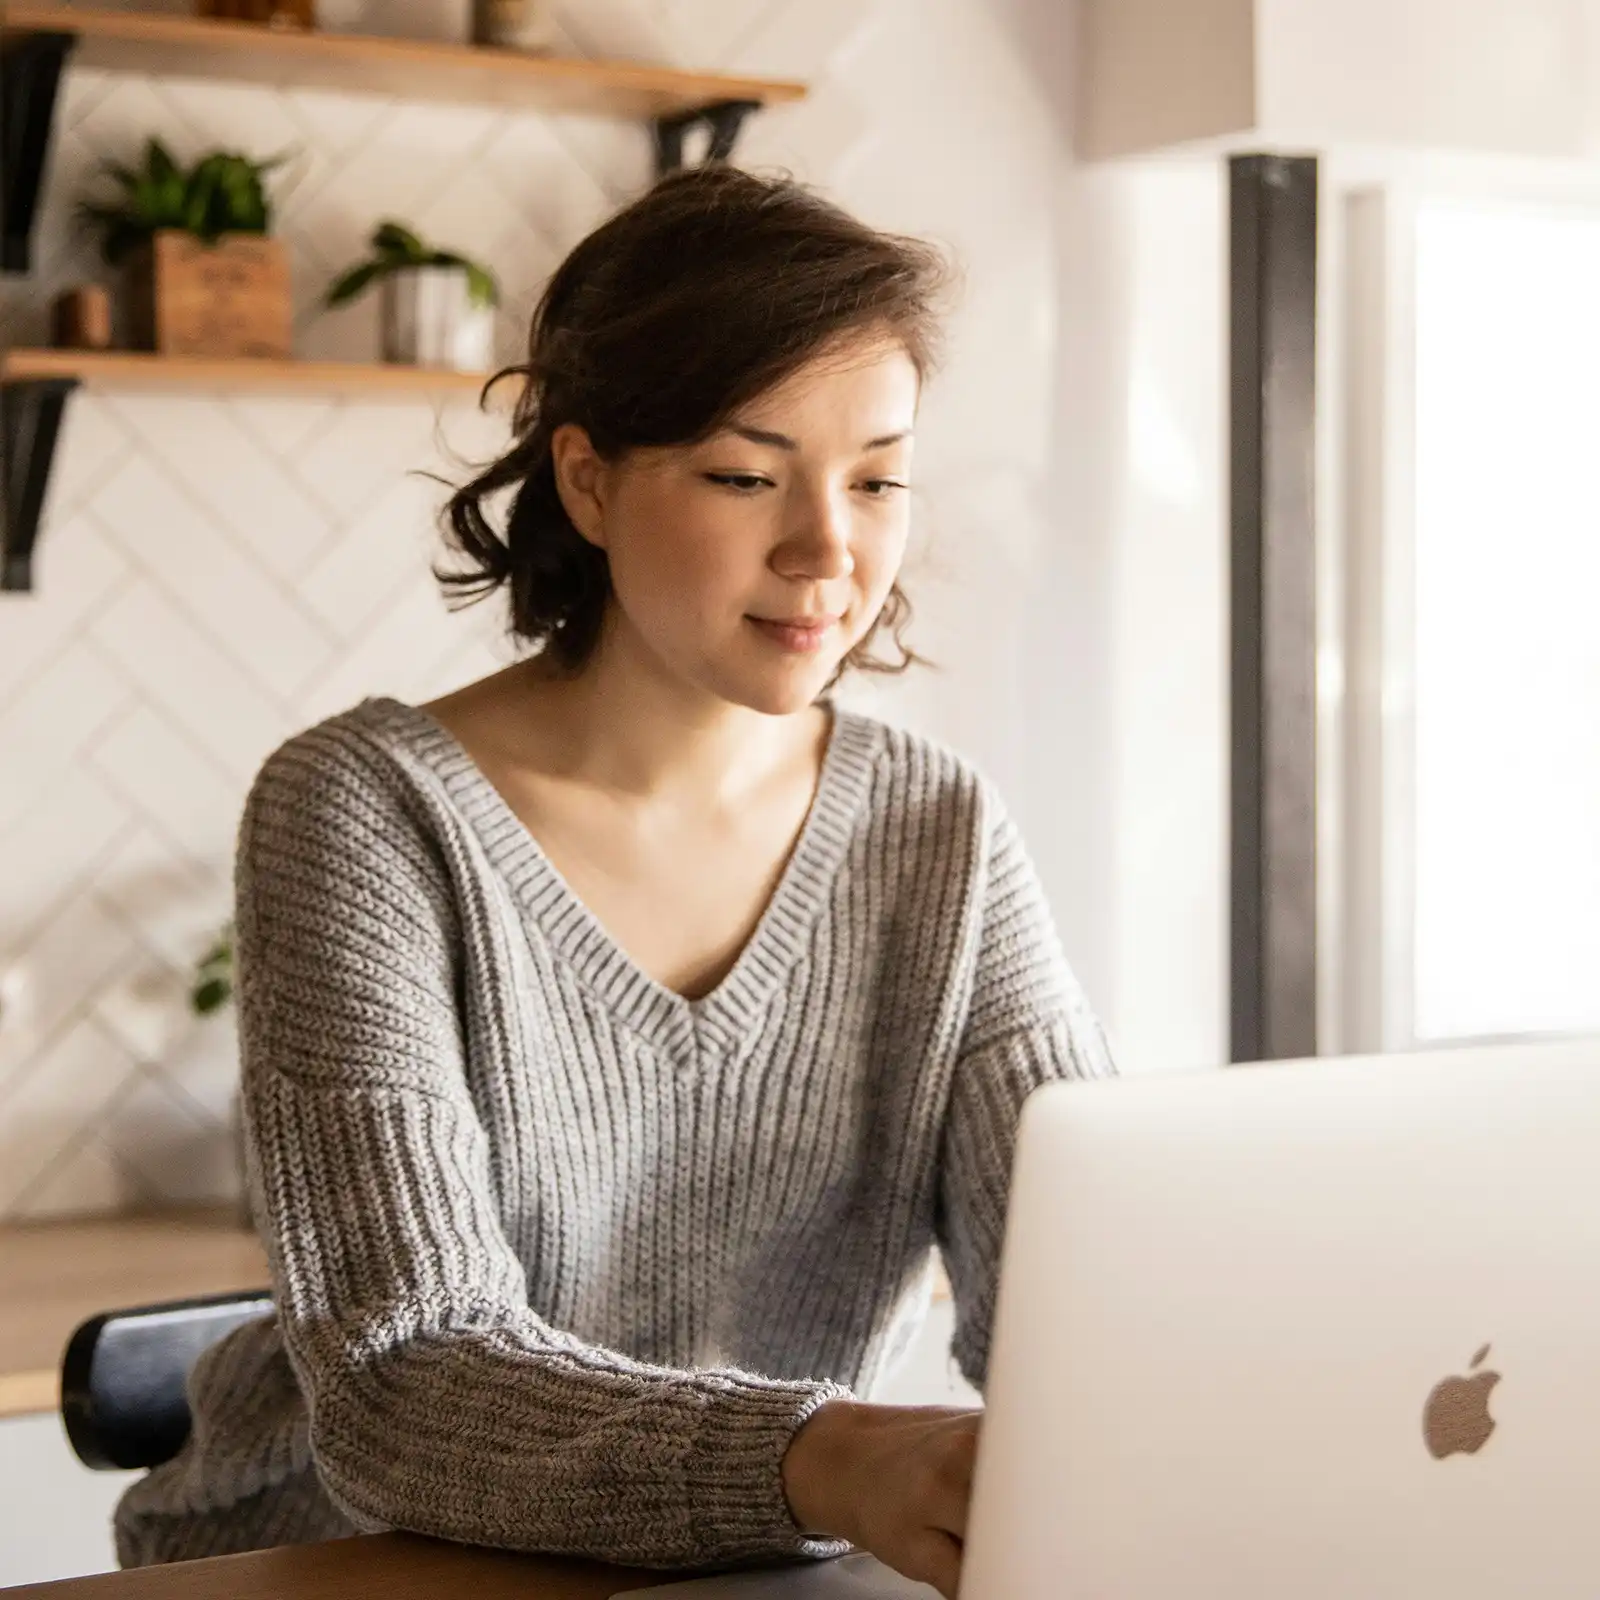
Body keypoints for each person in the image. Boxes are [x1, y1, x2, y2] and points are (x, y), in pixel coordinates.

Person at [113, 164, 1113, 1599]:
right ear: (587, 479)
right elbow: (405, 1378)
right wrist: (819, 1454)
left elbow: (1084, 1293)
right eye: (744, 474)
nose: (831, 550)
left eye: (879, 477)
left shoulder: (937, 832)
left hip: (734, 1573)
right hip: (332, 1565)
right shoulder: (365, 812)